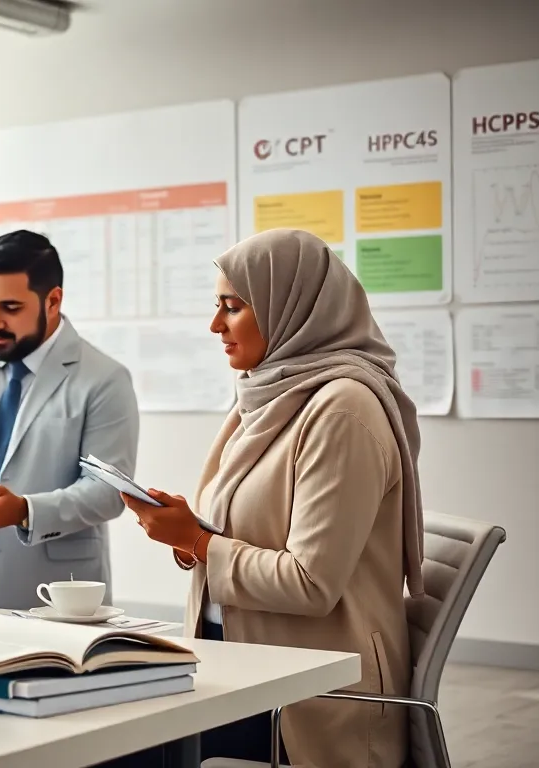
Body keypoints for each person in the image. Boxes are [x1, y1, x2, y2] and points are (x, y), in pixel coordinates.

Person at [115, 228, 420, 767]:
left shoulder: (343, 411)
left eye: (232, 308)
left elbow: (311, 584)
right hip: (239, 667)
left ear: (292, 307)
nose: (215, 326)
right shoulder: (268, 393)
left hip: (301, 695)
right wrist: (187, 537)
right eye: (217, 306)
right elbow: (236, 531)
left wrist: (201, 542)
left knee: (114, 749)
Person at [0, 230, 139, 610]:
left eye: (10, 308)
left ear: (53, 301)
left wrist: (25, 511)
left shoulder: (104, 379)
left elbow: (108, 493)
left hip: (53, 594)